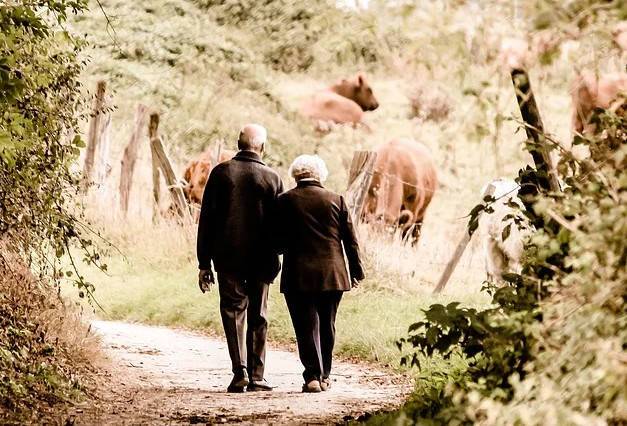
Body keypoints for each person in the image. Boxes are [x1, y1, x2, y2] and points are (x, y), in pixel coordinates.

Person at [197, 124, 284, 393]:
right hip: (262, 258)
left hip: (227, 257)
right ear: (263, 147)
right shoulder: (272, 178)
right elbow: (280, 225)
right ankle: (258, 376)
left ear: (238, 143)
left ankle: (240, 372)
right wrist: (278, 253)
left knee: (233, 312)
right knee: (259, 314)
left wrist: (204, 262)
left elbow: (207, 221)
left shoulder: (221, 173)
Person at [275, 155, 365, 393]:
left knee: (305, 326)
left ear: (295, 175)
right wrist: (356, 271)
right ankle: (325, 375)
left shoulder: (284, 201)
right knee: (328, 324)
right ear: (320, 174)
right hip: (333, 274)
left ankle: (312, 377)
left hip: (298, 275)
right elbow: (351, 241)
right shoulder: (337, 200)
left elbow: (277, 242)